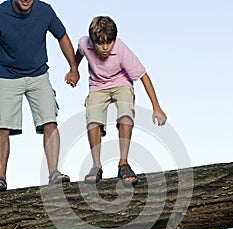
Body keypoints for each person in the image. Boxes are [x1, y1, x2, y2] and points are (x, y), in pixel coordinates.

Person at [75, 16, 167, 186]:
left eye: (108, 43)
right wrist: (74, 70)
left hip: (121, 83)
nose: (104, 48)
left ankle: (123, 163)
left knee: (125, 115)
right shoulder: (84, 43)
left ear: (114, 39)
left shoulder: (121, 50)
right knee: (93, 119)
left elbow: (143, 76)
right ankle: (96, 165)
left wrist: (156, 106)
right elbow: (80, 53)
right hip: (97, 85)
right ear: (92, 41)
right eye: (100, 43)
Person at [0, 0, 79, 191]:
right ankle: (0, 177)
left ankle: (54, 173)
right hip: (6, 76)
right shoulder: (1, 13)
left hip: (38, 74)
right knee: (2, 128)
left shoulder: (45, 11)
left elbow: (62, 36)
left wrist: (73, 68)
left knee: (50, 121)